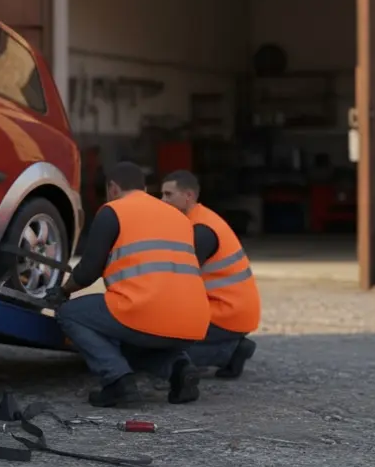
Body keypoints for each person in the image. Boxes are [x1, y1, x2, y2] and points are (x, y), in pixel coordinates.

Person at [46, 161, 211, 407]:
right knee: (130, 340)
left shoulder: (113, 210)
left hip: (145, 311)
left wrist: (62, 291)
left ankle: (117, 382)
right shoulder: (179, 217)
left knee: (71, 314)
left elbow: (88, 271)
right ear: (144, 188)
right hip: (194, 321)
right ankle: (179, 369)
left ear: (113, 187)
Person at [159, 170, 260, 379]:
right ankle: (233, 347)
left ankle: (230, 352)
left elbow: (178, 281)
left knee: (161, 352)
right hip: (231, 311)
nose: (162, 201)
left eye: (168, 195)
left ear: (188, 196)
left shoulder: (201, 231)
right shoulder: (199, 220)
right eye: (162, 194)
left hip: (225, 314)